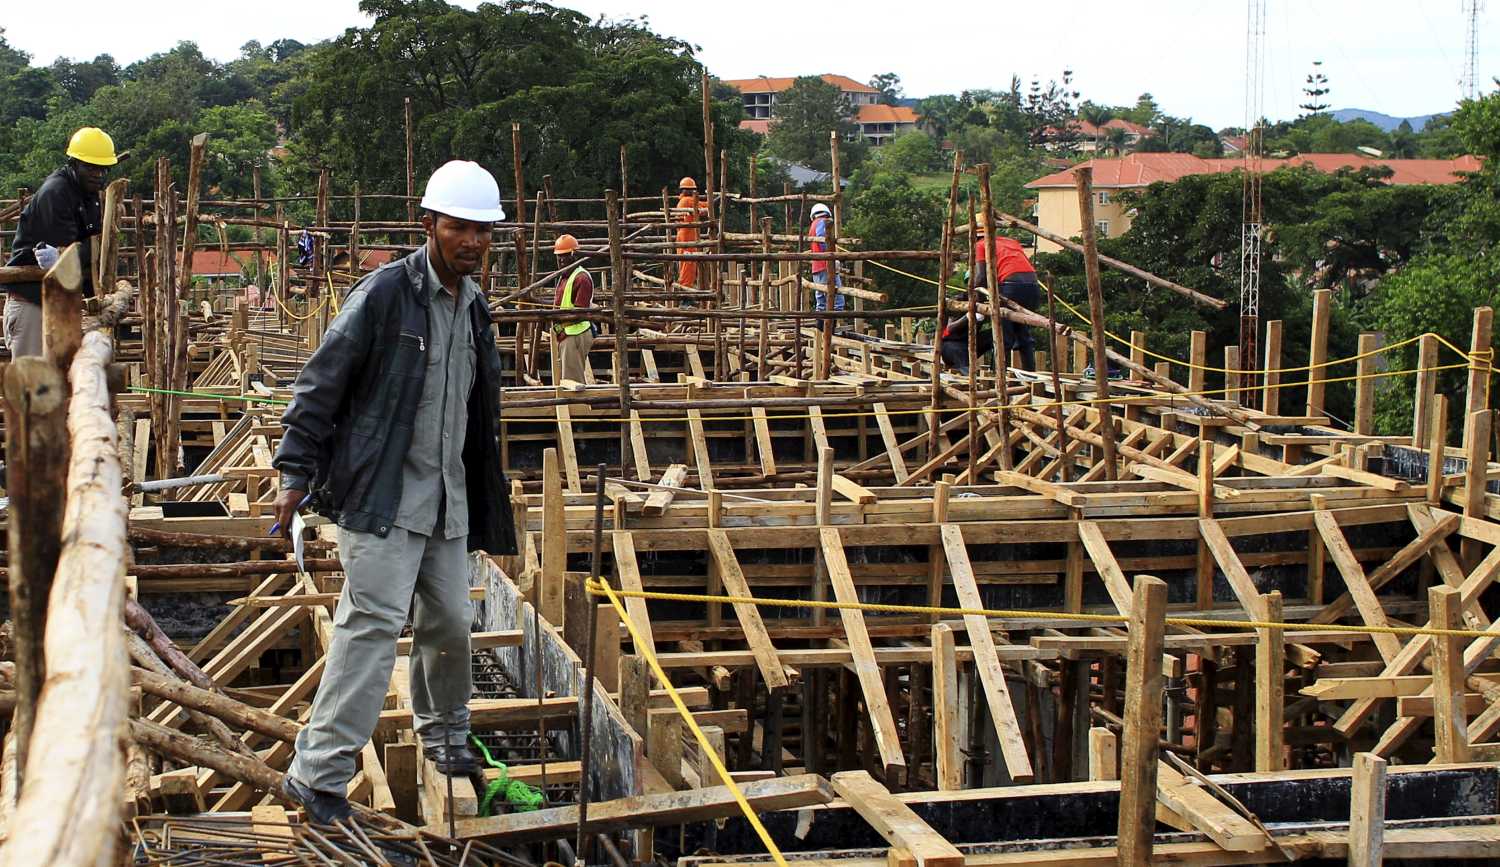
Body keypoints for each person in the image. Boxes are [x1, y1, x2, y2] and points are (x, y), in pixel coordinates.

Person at [270, 160, 517, 825]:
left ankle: (446, 736)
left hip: (445, 500)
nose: (473, 242)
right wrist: (295, 471)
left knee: (450, 624)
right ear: (429, 224)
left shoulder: (473, 307)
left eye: (483, 231)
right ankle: (317, 774)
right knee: (371, 626)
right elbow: (320, 384)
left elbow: (476, 412)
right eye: (460, 227)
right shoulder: (384, 294)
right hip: (383, 496)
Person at [4, 126, 115, 357]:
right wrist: (89, 250)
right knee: (32, 385)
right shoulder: (56, 193)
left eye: (103, 168)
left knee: (62, 384)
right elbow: (68, 258)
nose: (98, 174)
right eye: (90, 167)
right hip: (33, 304)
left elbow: (81, 254)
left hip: (60, 304)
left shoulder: (89, 195)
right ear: (74, 164)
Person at [973, 214, 1040, 371]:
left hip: (1011, 287)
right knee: (1023, 334)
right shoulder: (1011, 242)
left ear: (976, 234)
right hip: (1032, 288)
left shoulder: (982, 244)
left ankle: (998, 376)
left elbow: (981, 277)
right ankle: (1030, 376)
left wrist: (972, 294)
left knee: (1003, 336)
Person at [551, 233, 595, 383]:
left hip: (575, 334)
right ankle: (572, 407)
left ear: (574, 256)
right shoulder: (565, 276)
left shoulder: (581, 278)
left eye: (565, 255)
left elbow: (580, 312)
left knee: (573, 382)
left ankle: (579, 407)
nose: (561, 260)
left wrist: (561, 327)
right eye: (559, 256)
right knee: (566, 380)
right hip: (566, 334)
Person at [939, 288, 994, 374]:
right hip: (951, 344)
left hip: (970, 343)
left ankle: (995, 369)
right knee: (959, 353)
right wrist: (967, 317)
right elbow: (949, 329)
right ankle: (969, 375)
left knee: (994, 335)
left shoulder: (984, 302)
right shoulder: (957, 302)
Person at [808, 202, 844, 316]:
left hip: (816, 267)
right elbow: (822, 238)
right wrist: (830, 256)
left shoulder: (812, 225)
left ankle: (821, 331)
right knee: (837, 300)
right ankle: (830, 330)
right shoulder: (823, 222)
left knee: (821, 301)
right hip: (826, 265)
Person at [673, 177, 708, 291]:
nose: (695, 193)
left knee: (685, 266)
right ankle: (685, 296)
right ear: (688, 191)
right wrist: (716, 199)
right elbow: (706, 207)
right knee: (688, 267)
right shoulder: (688, 200)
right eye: (693, 190)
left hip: (683, 238)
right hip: (687, 238)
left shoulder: (682, 201)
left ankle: (684, 292)